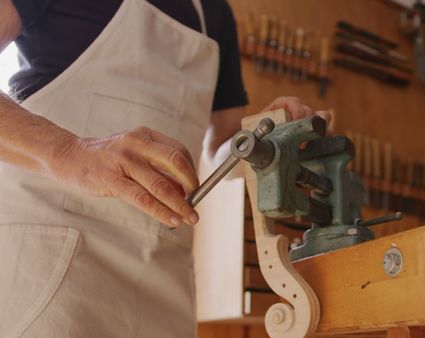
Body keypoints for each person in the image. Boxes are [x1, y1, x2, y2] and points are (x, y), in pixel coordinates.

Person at [0, 0, 327, 336]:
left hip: (162, 275)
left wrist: (264, 140)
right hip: (51, 259)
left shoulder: (214, 13)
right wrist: (69, 152)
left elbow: (221, 151)